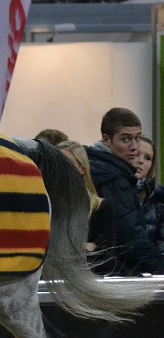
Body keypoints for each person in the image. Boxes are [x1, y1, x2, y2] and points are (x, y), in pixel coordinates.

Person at [86, 108, 164, 275]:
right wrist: (160, 269)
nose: (134, 147)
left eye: (137, 138)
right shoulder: (112, 177)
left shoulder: (100, 167)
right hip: (109, 274)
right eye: (125, 139)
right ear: (106, 140)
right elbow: (130, 238)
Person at [57, 141, 116, 272]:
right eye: (56, 164)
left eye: (66, 163)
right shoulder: (49, 206)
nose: (60, 169)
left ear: (82, 168)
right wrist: (84, 248)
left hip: (89, 280)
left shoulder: (101, 208)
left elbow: (106, 259)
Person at [134, 135, 164, 255]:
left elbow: (161, 243)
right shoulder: (112, 189)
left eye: (147, 158)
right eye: (137, 154)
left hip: (151, 266)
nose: (141, 161)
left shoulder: (159, 196)